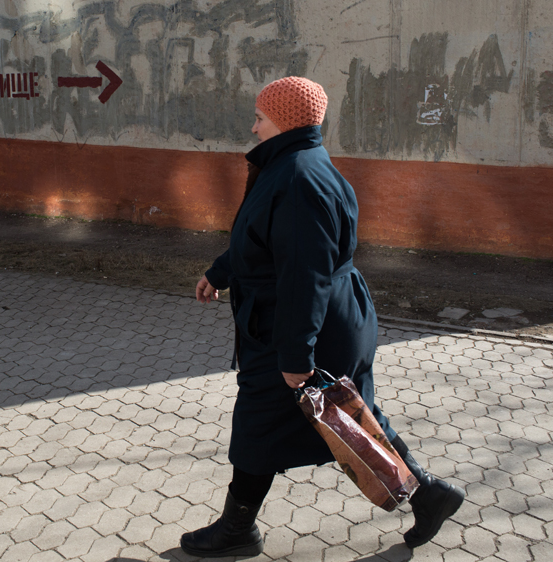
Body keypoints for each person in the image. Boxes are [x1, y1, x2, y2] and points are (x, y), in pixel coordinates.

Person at [181, 76, 465, 557]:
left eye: (261, 118)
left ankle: (237, 530)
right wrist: (221, 271)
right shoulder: (293, 166)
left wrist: (295, 355)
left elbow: (302, 276)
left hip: (300, 327)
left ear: (286, 121)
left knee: (261, 422)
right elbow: (262, 241)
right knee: (348, 417)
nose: (253, 128)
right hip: (321, 320)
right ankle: (429, 494)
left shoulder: (298, 181)